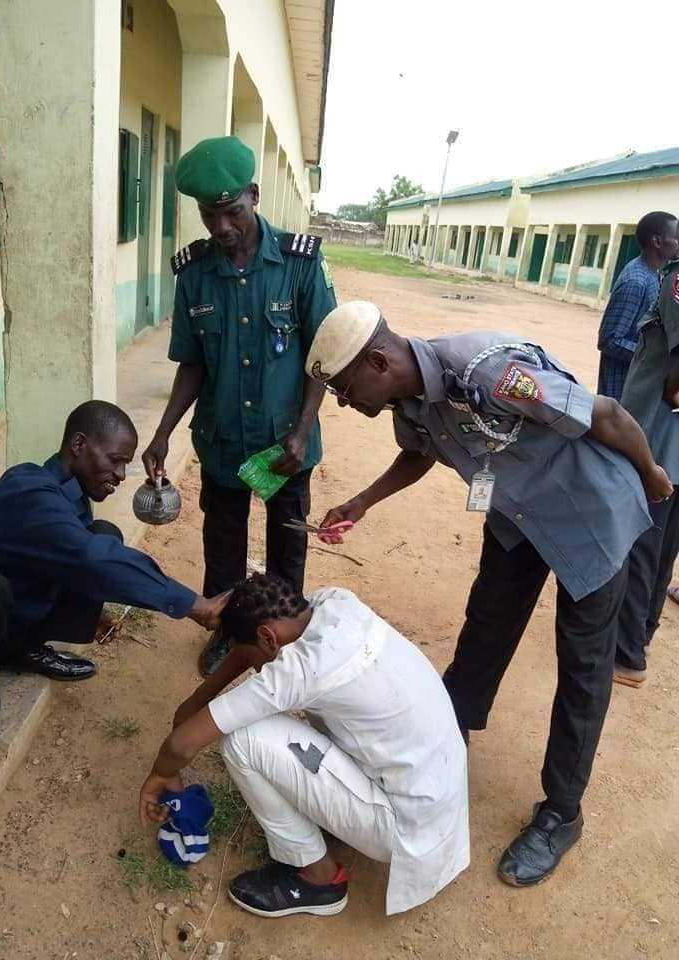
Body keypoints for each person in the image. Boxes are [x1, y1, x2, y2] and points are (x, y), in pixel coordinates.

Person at [308, 301, 672, 887]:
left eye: (348, 390)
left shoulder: (489, 371)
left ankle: (561, 813)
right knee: (484, 631)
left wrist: (653, 475)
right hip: (517, 518)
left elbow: (606, 415)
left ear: (378, 360)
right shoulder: (409, 401)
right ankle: (447, 736)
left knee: (582, 666)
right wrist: (362, 501)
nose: (348, 405)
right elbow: (419, 451)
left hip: (588, 516)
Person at [139, 574, 469, 918]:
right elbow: (248, 649)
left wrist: (161, 776)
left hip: (404, 829)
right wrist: (198, 699)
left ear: (267, 637)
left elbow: (181, 745)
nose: (254, 668)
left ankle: (319, 879)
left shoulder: (301, 671)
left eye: (251, 650)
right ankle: (342, 817)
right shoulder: (334, 602)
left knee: (244, 741)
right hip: (439, 800)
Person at [142, 136, 337, 679]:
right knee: (222, 546)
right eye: (210, 216)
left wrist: (301, 433)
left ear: (253, 195)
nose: (222, 228)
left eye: (232, 212)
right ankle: (229, 638)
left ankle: (285, 642)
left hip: (284, 447)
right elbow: (193, 363)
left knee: (286, 549)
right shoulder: (196, 274)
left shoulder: (298, 265)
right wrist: (162, 434)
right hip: (224, 438)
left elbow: (323, 357)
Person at [0, 401, 225, 763]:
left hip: (5, 613)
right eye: (116, 460)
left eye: (125, 464)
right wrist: (195, 604)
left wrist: (94, 607)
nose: (121, 474)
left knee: (103, 533)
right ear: (79, 445)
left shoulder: (68, 494)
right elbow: (90, 559)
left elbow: (75, 559)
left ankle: (21, 649)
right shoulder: (30, 493)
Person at [614, 256, 679, 687]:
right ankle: (642, 637)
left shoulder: (678, 277)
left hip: (659, 439)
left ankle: (627, 655)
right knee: (662, 549)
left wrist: (674, 391)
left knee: (642, 543)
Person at [596, 211, 679, 399]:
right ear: (657, 242)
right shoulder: (635, 281)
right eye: (676, 238)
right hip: (622, 390)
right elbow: (609, 340)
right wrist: (652, 356)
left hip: (641, 385)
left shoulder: (657, 275)